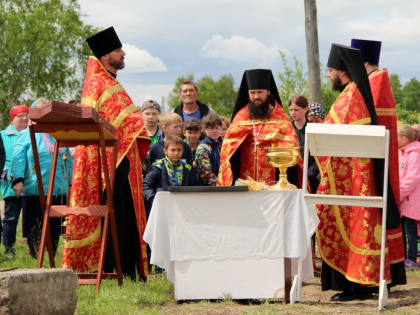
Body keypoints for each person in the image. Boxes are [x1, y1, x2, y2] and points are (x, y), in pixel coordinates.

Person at [317, 43, 405, 302]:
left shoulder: (353, 93)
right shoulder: (351, 91)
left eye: (330, 70)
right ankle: (357, 283)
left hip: (354, 176)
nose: (328, 75)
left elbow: (340, 130)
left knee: (360, 227)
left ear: (342, 71)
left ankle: (360, 285)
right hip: (349, 174)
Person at [61, 27, 150, 281]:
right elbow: (115, 122)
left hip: (121, 160)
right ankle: (114, 267)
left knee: (125, 215)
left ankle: (129, 270)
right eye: (118, 50)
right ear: (105, 55)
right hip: (109, 162)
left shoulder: (109, 81)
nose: (123, 53)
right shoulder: (99, 83)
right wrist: (136, 125)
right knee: (117, 214)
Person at [351, 38, 406, 285]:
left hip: (377, 158)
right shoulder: (371, 80)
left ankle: (386, 273)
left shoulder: (377, 81)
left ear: (361, 61)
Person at [11, 98, 72, 259]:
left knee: (55, 225)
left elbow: (69, 161)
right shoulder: (26, 134)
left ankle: (52, 254)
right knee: (34, 224)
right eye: (40, 111)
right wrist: (18, 179)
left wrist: (71, 183)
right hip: (34, 189)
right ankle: (35, 254)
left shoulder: (58, 133)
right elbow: (18, 158)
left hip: (58, 189)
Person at [217, 69, 299, 186]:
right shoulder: (241, 116)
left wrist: (273, 138)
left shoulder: (279, 116)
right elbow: (228, 148)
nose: (256, 97)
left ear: (268, 92)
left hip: (273, 181)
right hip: (244, 180)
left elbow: (291, 145)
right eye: (252, 93)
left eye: (260, 92)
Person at [0, 105, 29, 257]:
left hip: (31, 183)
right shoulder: (3, 135)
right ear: (13, 118)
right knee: (11, 218)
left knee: (31, 217)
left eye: (27, 115)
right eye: (21, 115)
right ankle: (9, 250)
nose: (25, 118)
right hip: (10, 182)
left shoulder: (32, 134)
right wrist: (6, 175)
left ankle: (35, 249)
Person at [143, 135, 196, 210]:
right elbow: (146, 185)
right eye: (173, 150)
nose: (176, 153)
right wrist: (154, 200)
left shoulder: (187, 168)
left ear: (183, 150)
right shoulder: (158, 167)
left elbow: (194, 186)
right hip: (162, 207)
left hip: (183, 206)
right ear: (165, 150)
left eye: (179, 150)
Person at [398, 124, 420, 269]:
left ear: (404, 139)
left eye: (397, 138)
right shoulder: (404, 152)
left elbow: (412, 179)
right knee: (405, 229)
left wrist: (399, 193)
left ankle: (412, 258)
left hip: (411, 200)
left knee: (410, 231)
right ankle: (405, 257)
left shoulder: (415, 154)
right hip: (405, 199)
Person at [195, 113, 222, 186]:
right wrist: (223, 184)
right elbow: (206, 175)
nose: (214, 131)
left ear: (221, 129)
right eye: (211, 128)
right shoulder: (203, 147)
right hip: (206, 189)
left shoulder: (222, 146)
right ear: (205, 130)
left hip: (220, 186)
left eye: (216, 128)